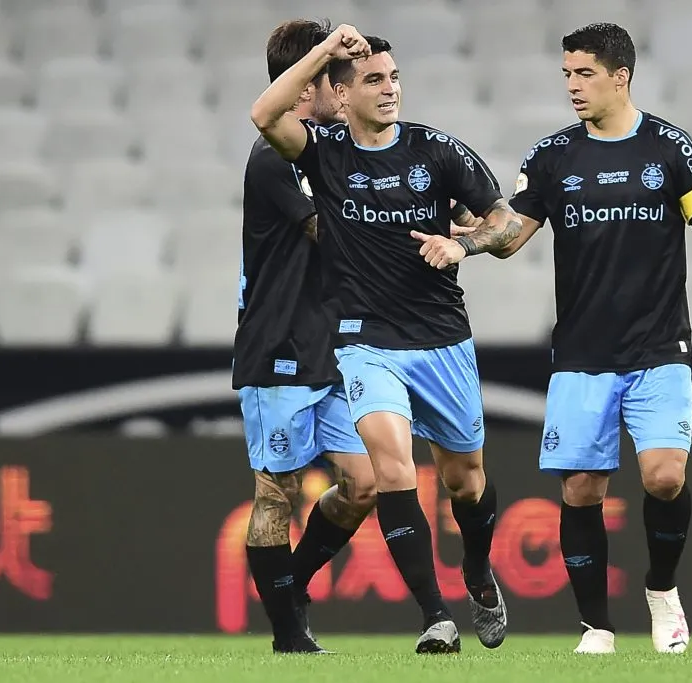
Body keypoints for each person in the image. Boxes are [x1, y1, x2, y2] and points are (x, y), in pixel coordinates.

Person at [250, 25, 523, 654]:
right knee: (393, 470)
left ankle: (478, 570)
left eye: (394, 77)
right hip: (365, 340)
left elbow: (504, 222)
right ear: (341, 96)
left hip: (442, 337)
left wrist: (463, 243)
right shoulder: (322, 151)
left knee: (466, 482)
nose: (391, 89)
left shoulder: (437, 150)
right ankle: (436, 617)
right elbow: (264, 113)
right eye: (374, 79)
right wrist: (324, 52)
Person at [486, 23, 692, 654]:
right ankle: (597, 627)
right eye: (567, 74)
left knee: (663, 476)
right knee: (581, 489)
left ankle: (662, 592)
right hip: (581, 352)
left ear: (619, 75)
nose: (572, 87)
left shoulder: (670, 148)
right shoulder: (552, 156)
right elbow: (511, 235)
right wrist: (463, 241)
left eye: (584, 74)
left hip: (658, 345)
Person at [235, 19, 377, 655]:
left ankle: (294, 583)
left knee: (366, 481)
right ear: (307, 84)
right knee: (276, 493)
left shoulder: (328, 150)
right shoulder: (275, 158)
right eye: (334, 79)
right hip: (281, 345)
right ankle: (290, 637)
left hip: (332, 346)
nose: (343, 91)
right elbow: (334, 232)